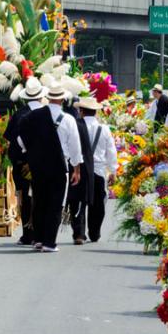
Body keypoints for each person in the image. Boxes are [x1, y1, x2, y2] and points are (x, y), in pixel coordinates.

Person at [18, 82, 83, 253]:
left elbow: (20, 138)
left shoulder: (35, 116)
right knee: (56, 203)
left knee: (39, 201)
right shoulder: (68, 119)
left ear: (47, 97)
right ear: (62, 99)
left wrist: (29, 150)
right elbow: (75, 147)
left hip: (38, 165)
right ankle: (49, 242)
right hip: (60, 166)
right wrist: (77, 169)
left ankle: (38, 239)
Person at [4, 77, 47, 246]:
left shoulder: (19, 114)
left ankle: (27, 234)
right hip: (43, 163)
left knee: (24, 197)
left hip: (22, 163)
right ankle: (41, 233)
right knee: (41, 196)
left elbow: (10, 139)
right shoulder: (48, 113)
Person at [68, 97, 117, 244]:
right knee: (97, 204)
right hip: (98, 171)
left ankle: (79, 234)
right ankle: (94, 232)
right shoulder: (105, 129)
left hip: (78, 169)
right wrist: (113, 170)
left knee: (77, 201)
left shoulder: (76, 126)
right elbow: (111, 151)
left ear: (81, 111)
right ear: (95, 112)